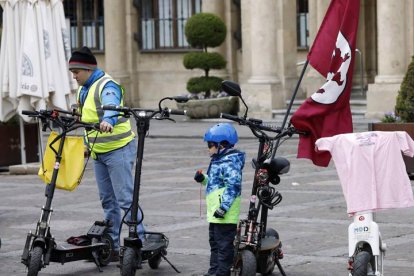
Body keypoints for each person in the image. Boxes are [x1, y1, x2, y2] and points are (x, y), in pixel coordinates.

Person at [68, 46, 145, 260]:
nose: (74, 76)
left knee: (125, 199)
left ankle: (137, 242)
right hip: (98, 152)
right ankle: (111, 245)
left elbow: (112, 106)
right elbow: (85, 114)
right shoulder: (84, 88)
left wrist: (108, 120)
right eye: (72, 72)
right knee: (108, 201)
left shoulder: (106, 85)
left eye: (76, 72)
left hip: (117, 149)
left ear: (88, 69)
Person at [194, 123, 246, 276]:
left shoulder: (230, 162)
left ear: (221, 145)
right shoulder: (218, 160)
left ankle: (222, 273)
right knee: (215, 245)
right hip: (215, 214)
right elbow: (215, 183)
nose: (208, 148)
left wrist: (223, 207)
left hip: (224, 214)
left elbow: (233, 187)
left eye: (210, 145)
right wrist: (203, 178)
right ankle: (213, 272)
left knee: (223, 247)